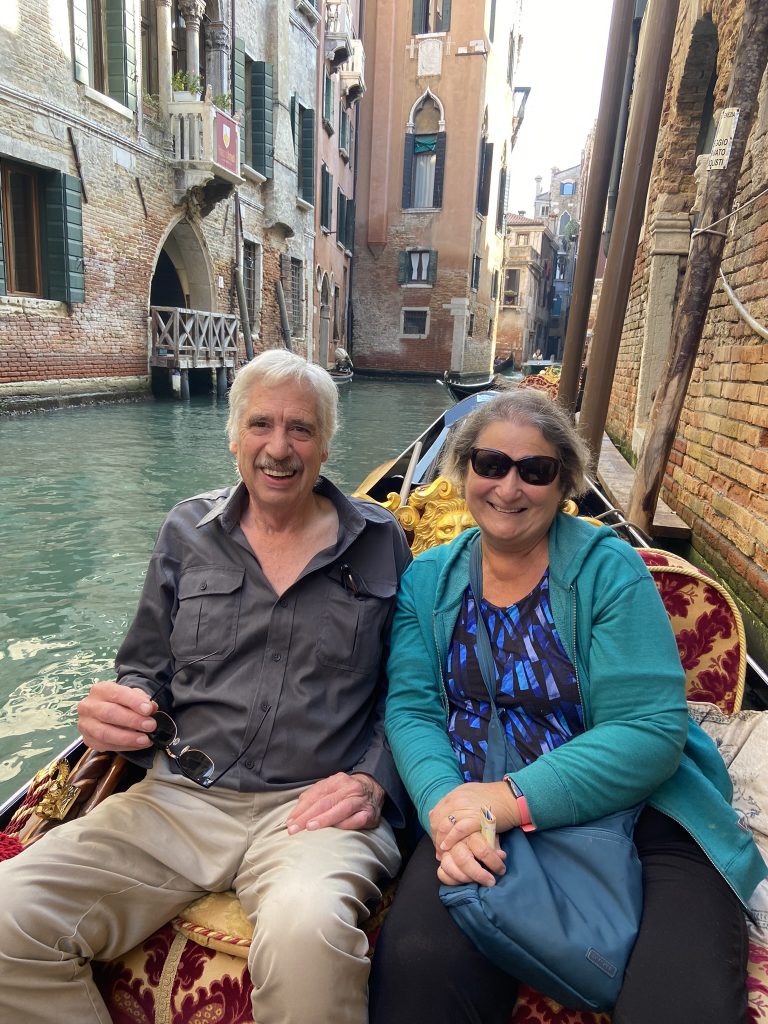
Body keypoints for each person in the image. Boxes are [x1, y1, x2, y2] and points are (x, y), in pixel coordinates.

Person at [0, 349, 412, 1024]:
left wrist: (374, 780)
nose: (279, 448)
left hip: (314, 809)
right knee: (7, 918)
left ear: (326, 443)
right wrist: (122, 710)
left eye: (301, 429)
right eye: (261, 425)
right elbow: (144, 667)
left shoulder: (382, 542)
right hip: (178, 798)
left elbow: (411, 694)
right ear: (233, 435)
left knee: (309, 937)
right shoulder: (185, 531)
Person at [369, 389, 766, 1024]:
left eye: (535, 470)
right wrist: (447, 809)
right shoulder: (428, 579)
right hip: (473, 812)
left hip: (645, 814)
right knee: (418, 970)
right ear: (465, 468)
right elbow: (413, 710)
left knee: (679, 1004)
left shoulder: (609, 572)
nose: (509, 486)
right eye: (491, 463)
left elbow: (649, 731)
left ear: (564, 484)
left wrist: (501, 802)